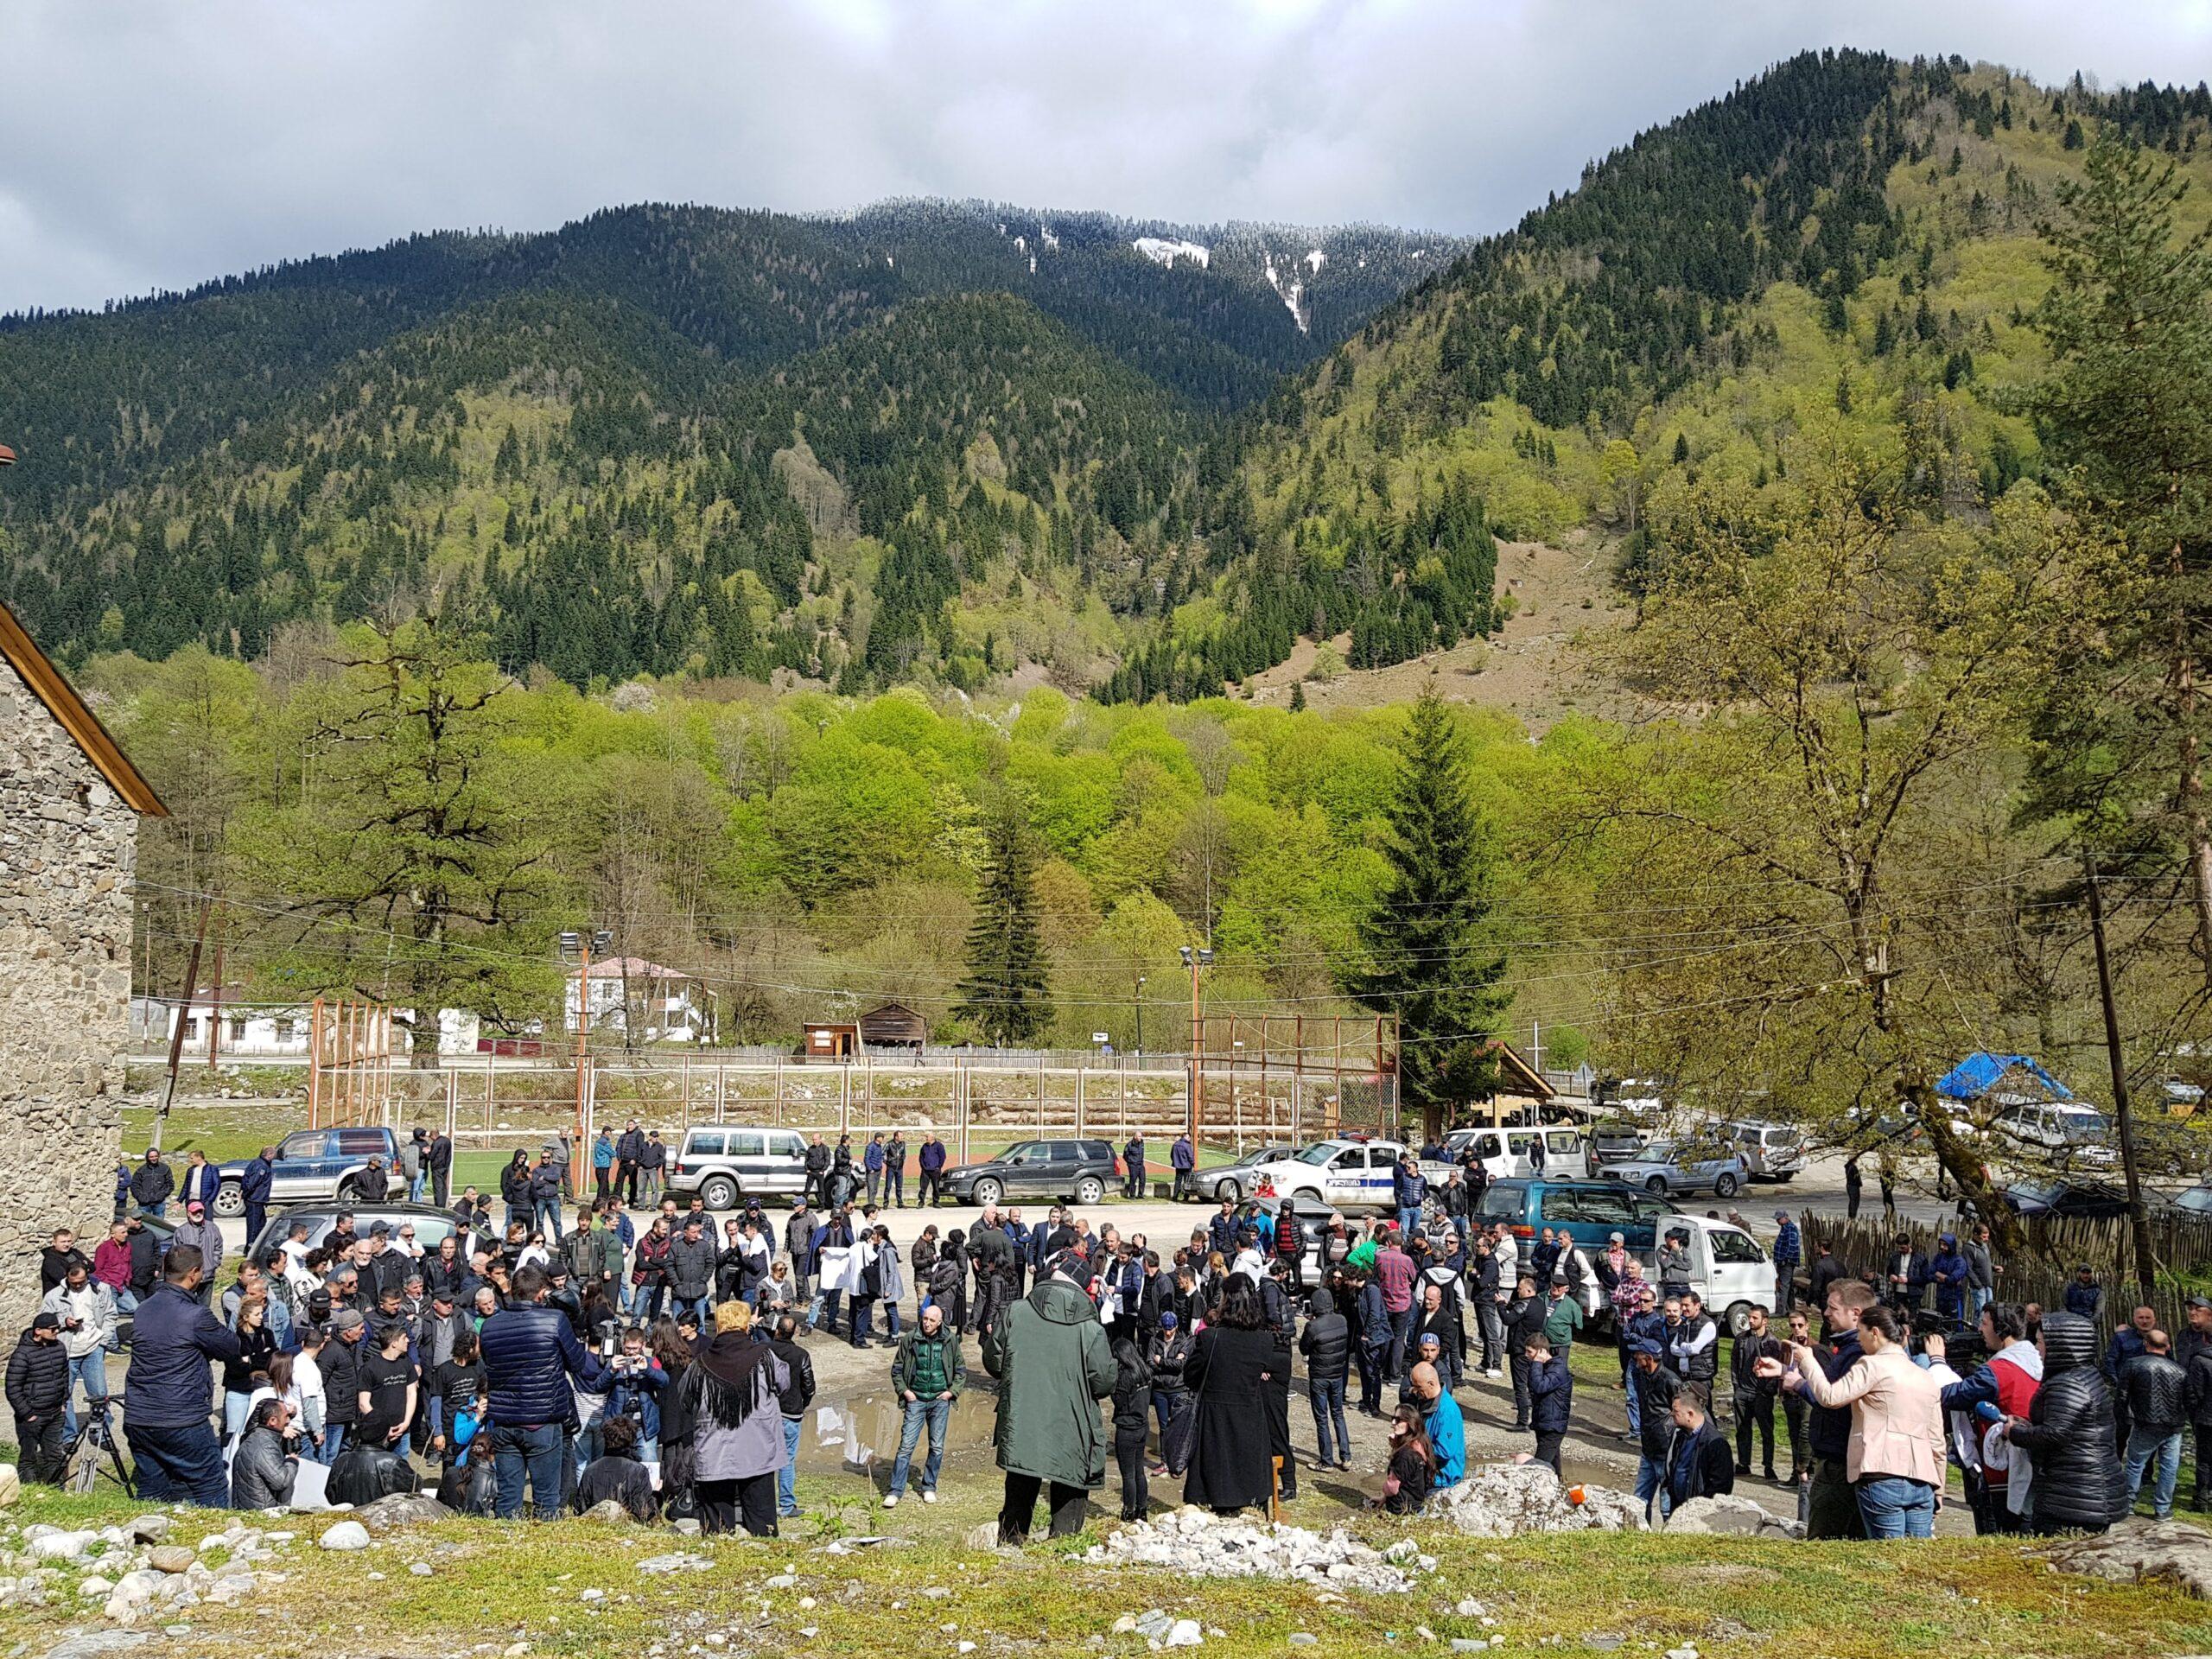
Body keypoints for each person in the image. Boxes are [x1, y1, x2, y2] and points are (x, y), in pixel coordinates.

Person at [1764, 1302, 1943, 1539]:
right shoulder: (1925, 1376)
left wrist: (1807, 1362)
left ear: (1875, 1333)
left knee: (1887, 1558)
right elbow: (1937, 1438)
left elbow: (1830, 1397)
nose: (1859, 1341)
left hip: (1881, 1473)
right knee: (1914, 1562)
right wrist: (1939, 1488)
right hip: (1923, 1481)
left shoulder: (1871, 1365)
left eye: (1861, 1333)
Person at [987, 1256, 1116, 1541]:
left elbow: (993, 1360)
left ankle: (1010, 1546)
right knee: (1070, 1484)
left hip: (1023, 1416)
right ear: (1084, 1289)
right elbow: (1104, 1382)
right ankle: (1063, 1549)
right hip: (1072, 1421)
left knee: (1020, 1481)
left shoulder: (1016, 1312)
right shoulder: (1091, 1329)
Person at [479, 1262, 614, 1520]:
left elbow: (489, 1363)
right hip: (542, 1418)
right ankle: (545, 1545)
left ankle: (507, 1547)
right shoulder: (554, 1320)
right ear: (542, 1293)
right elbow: (577, 1364)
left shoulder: (489, 1326)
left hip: (505, 1418)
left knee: (508, 1497)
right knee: (546, 1499)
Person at [120, 1243, 243, 1505]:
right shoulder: (196, 1315)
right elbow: (231, 1347)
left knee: (153, 1490)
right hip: (180, 1417)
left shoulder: (144, 1309)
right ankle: (215, 1542)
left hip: (139, 1416)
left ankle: (146, 1539)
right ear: (194, 1273)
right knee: (211, 1483)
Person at [2003, 1309, 2127, 1535]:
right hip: (2085, 1490)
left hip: (2075, 1497)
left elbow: (2055, 1434)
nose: (2037, 1348)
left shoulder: (2067, 1384)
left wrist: (2015, 1432)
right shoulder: (2085, 1375)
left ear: (2061, 1345)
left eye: (2040, 1342)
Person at [1930, 1304, 2041, 1533]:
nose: (1980, 1330)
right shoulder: (2037, 1362)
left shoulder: (1998, 1371)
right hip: (2031, 1465)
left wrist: (1938, 1362)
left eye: (1984, 1323)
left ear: (2001, 1329)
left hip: (2001, 1471)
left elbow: (1951, 1396)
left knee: (2000, 1533)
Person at [683, 1301, 791, 1536]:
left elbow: (685, 1400)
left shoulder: (699, 1363)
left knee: (717, 1532)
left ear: (719, 1325)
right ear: (745, 1325)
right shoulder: (764, 1356)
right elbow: (784, 1384)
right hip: (758, 1449)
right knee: (763, 1528)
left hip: (713, 1453)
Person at [1183, 1279, 1281, 1514]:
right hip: (1250, 1416)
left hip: (1215, 1419)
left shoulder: (1211, 1338)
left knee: (1216, 1484)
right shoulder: (1264, 1340)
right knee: (1247, 1485)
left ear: (1227, 1301)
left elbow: (1190, 1377)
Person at [885, 1302, 962, 1508]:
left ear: (940, 1322)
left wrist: (951, 1392)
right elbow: (897, 1369)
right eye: (925, 1319)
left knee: (936, 1447)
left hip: (939, 1401)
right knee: (905, 1447)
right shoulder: (910, 1339)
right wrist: (905, 1392)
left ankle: (929, 1487)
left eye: (931, 1320)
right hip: (916, 1400)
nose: (927, 1323)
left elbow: (960, 1370)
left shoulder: (950, 1340)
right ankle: (895, 1491)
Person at [2119, 1327, 2188, 1520]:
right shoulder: (2180, 1370)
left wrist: (2123, 1416)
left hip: (2145, 1422)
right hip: (2173, 1426)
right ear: (2168, 1346)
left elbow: (2122, 1395)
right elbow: (2188, 1399)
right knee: (2169, 1467)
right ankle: (2162, 1508)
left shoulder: (2133, 1365)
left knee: (2135, 1465)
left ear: (2145, 1344)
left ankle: (2129, 1503)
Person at [6, 1314, 69, 1484]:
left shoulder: (59, 1347)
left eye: (57, 1328)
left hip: (55, 1413)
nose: (57, 1331)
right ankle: (29, 1489)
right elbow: (12, 1388)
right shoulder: (22, 1354)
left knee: (54, 1454)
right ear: (38, 1331)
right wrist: (27, 1414)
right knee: (29, 1456)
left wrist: (63, 1402)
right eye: (53, 1329)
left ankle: (55, 1489)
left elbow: (65, 1376)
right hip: (32, 1415)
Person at [1300, 1285, 1351, 1471]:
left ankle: (1327, 1461)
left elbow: (1303, 1349)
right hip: (1337, 1374)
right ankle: (1346, 1456)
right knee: (1338, 1414)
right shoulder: (1342, 1320)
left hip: (1320, 1376)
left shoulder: (1313, 1326)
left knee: (1322, 1418)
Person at [1628, 1338, 1681, 1520]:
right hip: (1648, 1448)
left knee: (1667, 1504)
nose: (1635, 1357)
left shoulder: (1670, 1380)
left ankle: (1670, 1537)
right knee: (1639, 1499)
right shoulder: (1641, 1376)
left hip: (1665, 1450)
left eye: (1638, 1355)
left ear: (1649, 1358)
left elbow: (1682, 1412)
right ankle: (1640, 1533)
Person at [1729, 1303, 1783, 1484]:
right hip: (1743, 1391)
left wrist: (1768, 1392)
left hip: (1762, 1394)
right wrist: (1737, 1387)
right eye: (1750, 1317)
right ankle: (1744, 1463)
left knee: (1766, 1431)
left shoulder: (1773, 1343)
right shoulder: (1741, 1339)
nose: (1750, 1321)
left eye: (1755, 1318)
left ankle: (1768, 1466)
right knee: (1742, 1429)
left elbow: (1776, 1370)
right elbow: (1734, 1363)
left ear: (1764, 1321)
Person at [575, 1413, 658, 1521]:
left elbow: (580, 1509)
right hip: (627, 1529)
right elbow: (645, 1512)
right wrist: (656, 1494)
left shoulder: (590, 1470)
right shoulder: (638, 1471)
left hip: (594, 1526)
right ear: (632, 1439)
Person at [1662, 1389, 1735, 1510]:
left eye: (1675, 1411)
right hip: (1678, 1508)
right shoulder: (1681, 1436)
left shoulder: (1716, 1444)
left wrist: (1700, 1507)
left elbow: (1721, 1486)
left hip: (1700, 1514)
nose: (1671, 1414)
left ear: (1690, 1415)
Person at [1110, 1327, 1154, 1520]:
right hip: (1142, 1426)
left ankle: (1128, 1511)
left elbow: (1119, 1402)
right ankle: (1142, 1509)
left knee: (1127, 1474)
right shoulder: (1145, 1372)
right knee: (1139, 1471)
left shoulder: (1125, 1377)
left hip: (1127, 1428)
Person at [1408, 1360, 1464, 1490]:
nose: (1415, 1391)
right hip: (1429, 1475)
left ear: (1431, 1384)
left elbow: (1445, 1451)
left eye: (1419, 1387)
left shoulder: (1447, 1411)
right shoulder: (1426, 1401)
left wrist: (1416, 1449)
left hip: (1443, 1481)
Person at [1525, 1333, 1570, 1476]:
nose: (1526, 1355)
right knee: (1552, 1464)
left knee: (1538, 1468)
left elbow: (1539, 1386)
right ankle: (1559, 1487)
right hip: (1545, 1423)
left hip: (1553, 1427)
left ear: (1541, 1351)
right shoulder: (1545, 1367)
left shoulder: (1558, 1369)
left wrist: (1537, 1363)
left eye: (1530, 1352)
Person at [1381, 1404, 1434, 1515]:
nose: (1393, 1423)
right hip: (1417, 1507)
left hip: (1401, 1511)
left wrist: (1384, 1490)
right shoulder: (1421, 1445)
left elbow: (1392, 1488)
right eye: (1393, 1418)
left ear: (1410, 1423)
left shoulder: (1404, 1455)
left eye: (1398, 1420)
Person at [1770, 1211, 1800, 1315]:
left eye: (1779, 1219)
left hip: (1786, 1263)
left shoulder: (1790, 1229)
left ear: (1785, 1218)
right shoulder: (1784, 1228)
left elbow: (1792, 1247)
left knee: (1784, 1286)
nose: (1777, 1221)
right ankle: (1790, 1309)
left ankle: (1781, 1311)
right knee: (1789, 1286)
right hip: (1783, 1261)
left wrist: (1784, 1259)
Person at [1171, 1133, 1195, 1202]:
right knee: (1187, 1182)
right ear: (1187, 1137)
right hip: (1187, 1166)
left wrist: (1176, 1162)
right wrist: (1193, 1163)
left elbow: (1172, 1155)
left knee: (1177, 1181)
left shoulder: (1175, 1144)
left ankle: (1175, 1197)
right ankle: (1186, 1197)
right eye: (1189, 1138)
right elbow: (1190, 1156)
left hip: (1178, 1166)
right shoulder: (1187, 1145)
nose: (1190, 1139)